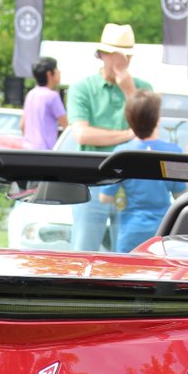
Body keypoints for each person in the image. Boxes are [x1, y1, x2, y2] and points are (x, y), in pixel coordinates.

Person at [66, 23, 151, 251]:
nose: (122, 61)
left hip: (132, 182)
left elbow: (149, 134)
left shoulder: (142, 89)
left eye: (127, 56)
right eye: (116, 55)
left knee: (132, 255)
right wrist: (127, 135)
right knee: (84, 251)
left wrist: (130, 92)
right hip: (92, 180)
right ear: (102, 55)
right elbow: (82, 134)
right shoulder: (82, 88)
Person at [97, 90, 186, 253]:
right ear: (157, 119)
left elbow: (105, 197)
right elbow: (180, 195)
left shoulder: (122, 152)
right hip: (163, 231)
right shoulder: (173, 152)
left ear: (130, 121)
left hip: (130, 230)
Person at [21, 56, 67, 150]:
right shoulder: (52, 96)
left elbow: (22, 125)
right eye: (57, 69)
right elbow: (66, 125)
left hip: (27, 148)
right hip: (45, 151)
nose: (59, 72)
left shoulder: (31, 94)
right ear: (50, 74)